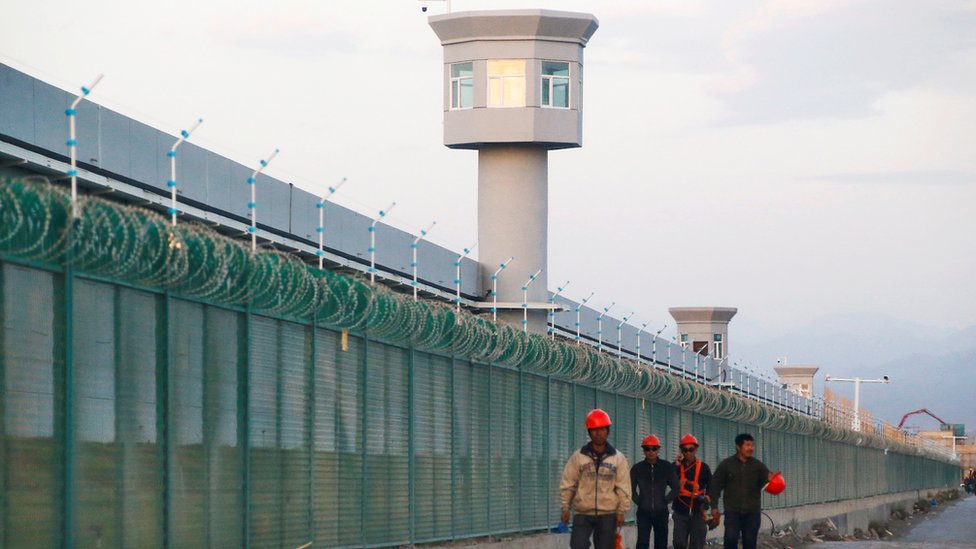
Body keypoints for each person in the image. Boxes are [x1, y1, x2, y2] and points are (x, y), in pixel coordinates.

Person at [560, 408, 632, 549]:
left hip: (608, 514)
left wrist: (621, 511)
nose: (598, 434)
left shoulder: (618, 458)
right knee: (578, 545)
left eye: (602, 429)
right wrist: (565, 508)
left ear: (608, 431)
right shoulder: (579, 457)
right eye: (594, 430)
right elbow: (568, 483)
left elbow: (623, 487)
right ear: (589, 432)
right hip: (582, 512)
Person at [708, 433, 774, 549]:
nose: (751, 448)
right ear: (738, 447)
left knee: (749, 542)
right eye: (747, 445)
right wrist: (714, 506)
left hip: (752, 513)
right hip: (732, 511)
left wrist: (772, 481)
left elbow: (767, 485)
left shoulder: (758, 466)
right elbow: (715, 486)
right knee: (730, 538)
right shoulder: (727, 465)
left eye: (752, 445)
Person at [631, 434, 679, 549]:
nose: (650, 452)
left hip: (661, 512)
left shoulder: (666, 467)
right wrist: (640, 502)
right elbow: (630, 489)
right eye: (647, 449)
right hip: (643, 513)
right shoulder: (637, 468)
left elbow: (676, 487)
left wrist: (665, 500)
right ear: (643, 450)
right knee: (642, 543)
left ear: (658, 450)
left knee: (661, 543)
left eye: (654, 449)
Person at [672, 433, 712, 549]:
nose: (688, 452)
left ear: (696, 449)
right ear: (681, 451)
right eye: (685, 450)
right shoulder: (676, 467)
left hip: (697, 512)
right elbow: (666, 480)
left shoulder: (704, 468)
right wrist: (676, 465)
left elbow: (711, 485)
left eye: (691, 449)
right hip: (680, 512)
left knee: (697, 544)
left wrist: (708, 498)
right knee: (679, 543)